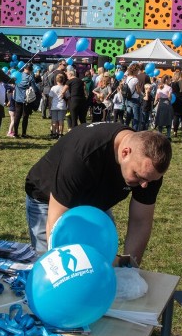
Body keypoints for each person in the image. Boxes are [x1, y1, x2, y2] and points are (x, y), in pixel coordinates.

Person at [24, 122, 172, 262]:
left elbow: (140, 221)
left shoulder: (149, 169)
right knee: (50, 264)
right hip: (49, 199)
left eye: (150, 180)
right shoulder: (83, 155)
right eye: (138, 176)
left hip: (95, 201)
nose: (144, 185)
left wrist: (130, 268)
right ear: (125, 153)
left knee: (102, 259)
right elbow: (57, 228)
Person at [12, 63, 40, 138]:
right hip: (26, 100)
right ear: (31, 70)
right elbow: (35, 89)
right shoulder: (30, 78)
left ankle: (15, 133)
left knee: (17, 116)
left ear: (24, 68)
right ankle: (23, 133)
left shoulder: (18, 75)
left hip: (17, 98)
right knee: (25, 116)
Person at [48, 72, 68, 139]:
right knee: (61, 121)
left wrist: (50, 105)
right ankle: (60, 133)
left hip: (54, 105)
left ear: (56, 80)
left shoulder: (53, 88)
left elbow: (50, 97)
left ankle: (54, 133)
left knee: (54, 120)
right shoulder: (65, 87)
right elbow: (68, 96)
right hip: (62, 105)